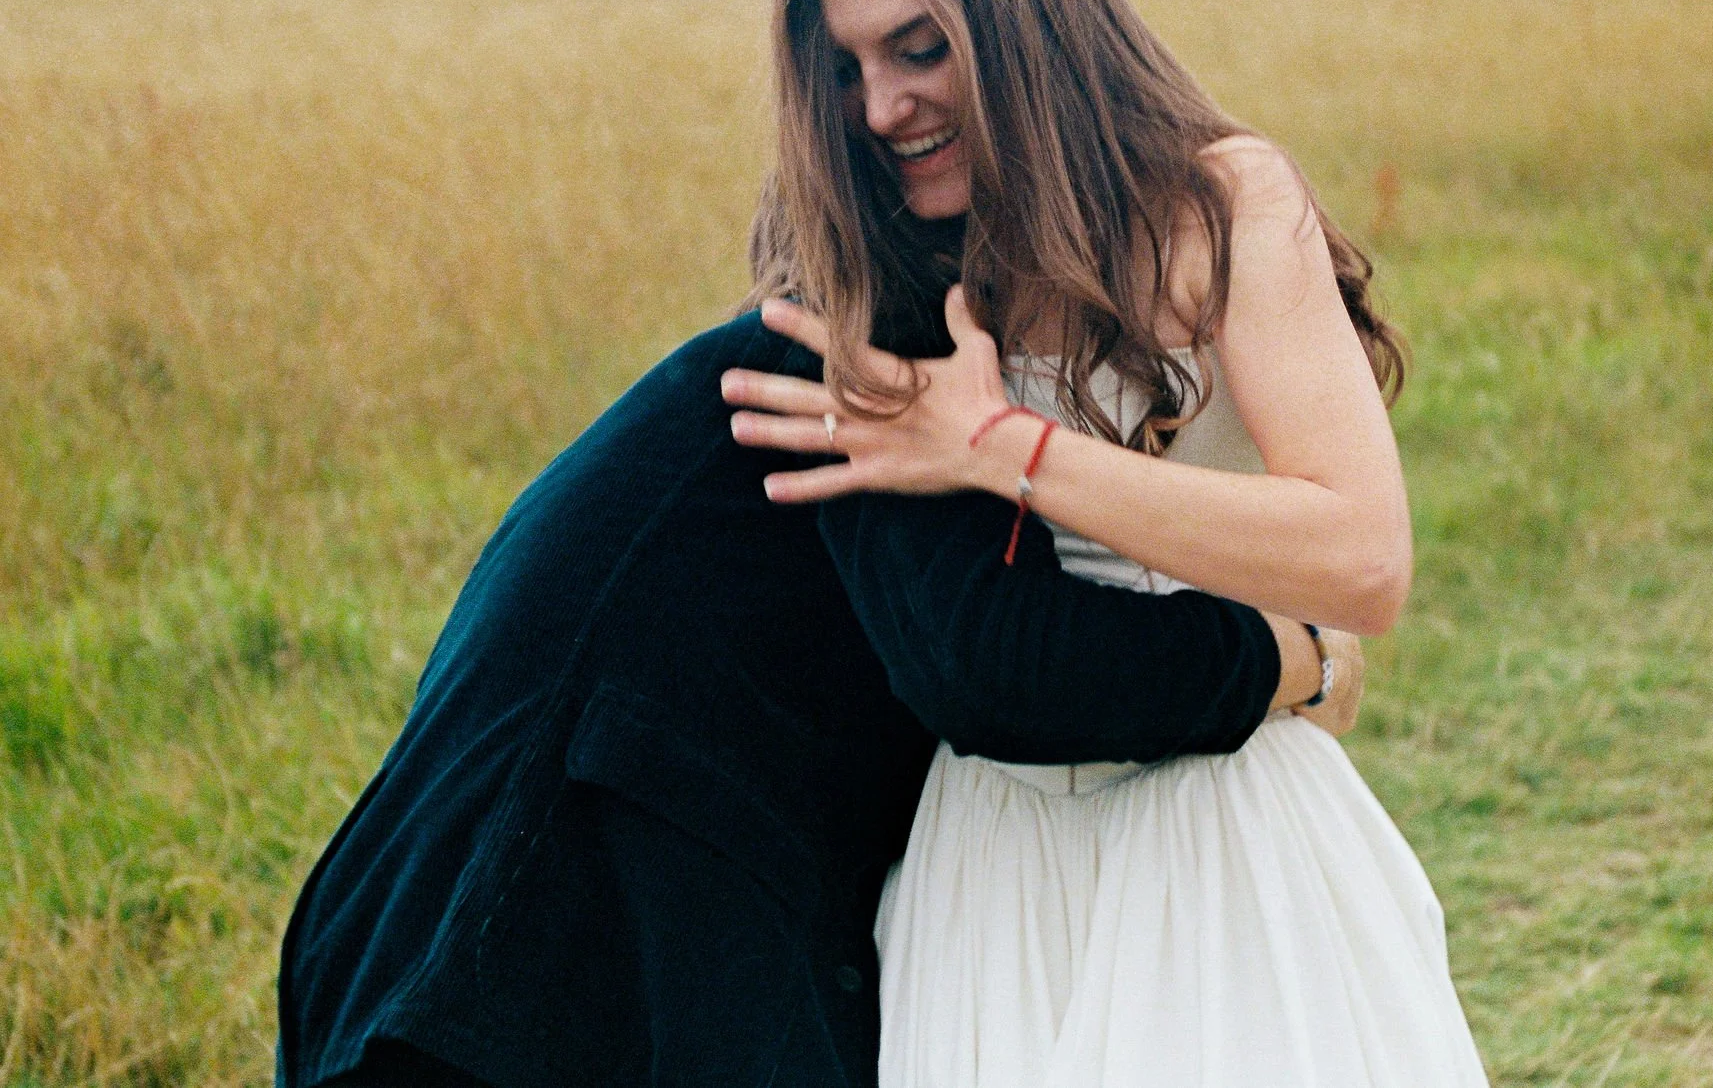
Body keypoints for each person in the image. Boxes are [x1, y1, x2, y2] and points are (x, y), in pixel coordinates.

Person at [724, 0, 1492, 1086]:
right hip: (986, 860)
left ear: (1020, 23)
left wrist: (999, 444)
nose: (880, 104)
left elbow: (1362, 559)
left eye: (921, 50)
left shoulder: (1221, 203)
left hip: (1217, 836)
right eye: (847, 64)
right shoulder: (871, 255)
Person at [273, 287, 1359, 1083]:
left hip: (516, 931)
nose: (888, 105)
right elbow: (1002, 667)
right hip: (529, 952)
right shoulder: (872, 327)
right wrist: (1290, 655)